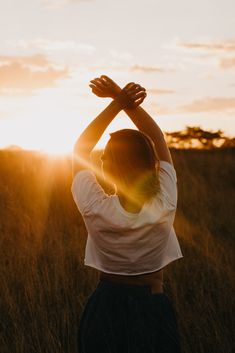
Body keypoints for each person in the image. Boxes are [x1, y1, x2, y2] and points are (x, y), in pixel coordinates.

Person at [71, 75, 183, 353]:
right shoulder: (165, 200)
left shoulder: (94, 206)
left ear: (109, 168)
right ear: (151, 164)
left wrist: (116, 103)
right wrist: (123, 99)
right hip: (152, 302)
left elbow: (81, 148)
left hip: (105, 303)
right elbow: (157, 139)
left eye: (105, 155)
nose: (99, 158)